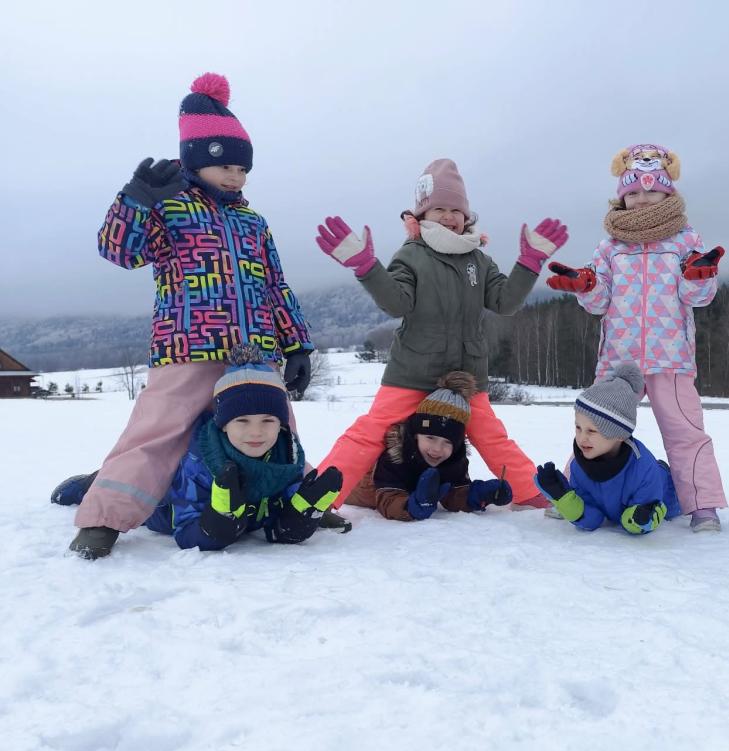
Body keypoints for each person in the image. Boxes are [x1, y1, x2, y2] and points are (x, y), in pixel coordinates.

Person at [68, 73, 316, 560]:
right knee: (159, 433)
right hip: (187, 346)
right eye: (225, 166)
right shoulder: (170, 208)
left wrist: (296, 343)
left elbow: (275, 285)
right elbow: (118, 252)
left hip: (256, 352)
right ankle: (104, 515)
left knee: (277, 429)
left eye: (243, 169)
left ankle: (295, 501)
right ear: (195, 161)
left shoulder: (253, 222)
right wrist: (136, 202)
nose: (235, 177)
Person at [314, 158, 566, 508]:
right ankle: (318, 499)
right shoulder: (411, 256)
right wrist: (366, 267)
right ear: (422, 215)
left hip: (467, 374)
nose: (449, 216)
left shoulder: (479, 260)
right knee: (370, 433)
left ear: (467, 216)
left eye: (456, 210)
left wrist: (529, 263)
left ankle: (533, 492)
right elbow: (396, 303)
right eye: (439, 209)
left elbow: (506, 302)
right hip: (413, 371)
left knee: (492, 436)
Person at [546, 144, 727, 532]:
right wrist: (585, 286)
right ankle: (575, 493)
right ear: (621, 196)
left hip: (670, 358)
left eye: (652, 190)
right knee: (595, 429)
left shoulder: (685, 241)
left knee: (684, 432)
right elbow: (599, 301)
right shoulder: (610, 247)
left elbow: (698, 296)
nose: (642, 199)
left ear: (668, 192)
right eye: (633, 192)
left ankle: (702, 505)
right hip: (618, 359)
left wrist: (700, 276)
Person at [53, 347, 341, 552]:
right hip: (166, 505)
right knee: (155, 444)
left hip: (255, 324)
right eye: (242, 421)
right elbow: (186, 529)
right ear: (224, 425)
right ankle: (94, 485)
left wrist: (303, 511)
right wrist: (217, 522)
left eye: (268, 421)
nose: (256, 432)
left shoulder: (286, 456)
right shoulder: (203, 464)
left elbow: (276, 284)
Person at [343, 372, 512, 521]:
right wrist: (411, 507)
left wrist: (480, 494)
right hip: (362, 492)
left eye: (448, 442)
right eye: (430, 437)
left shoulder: (453, 458)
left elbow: (454, 492)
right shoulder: (396, 452)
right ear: (416, 434)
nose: (437, 449)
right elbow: (387, 497)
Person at [534, 363, 681, 535]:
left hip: (668, 492)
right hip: (618, 502)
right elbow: (592, 519)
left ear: (620, 434)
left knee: (670, 499)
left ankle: (664, 469)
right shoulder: (579, 466)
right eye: (578, 428)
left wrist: (640, 517)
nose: (582, 438)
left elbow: (643, 520)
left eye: (591, 431)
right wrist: (563, 498)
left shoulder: (642, 468)